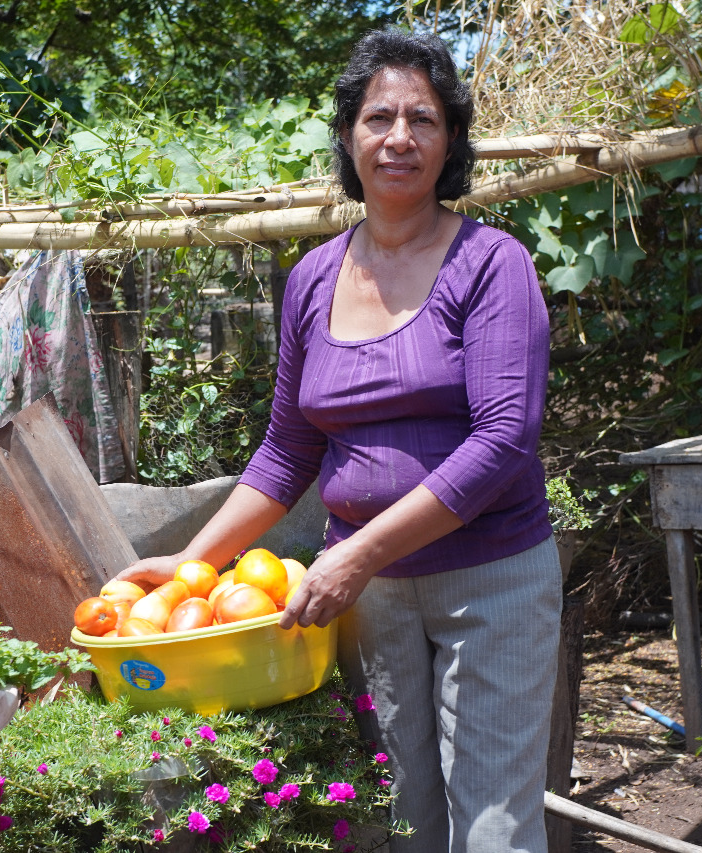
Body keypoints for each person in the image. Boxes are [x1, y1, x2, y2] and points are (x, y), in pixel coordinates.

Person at [116, 26, 559, 853]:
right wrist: (191, 565)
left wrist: (356, 555)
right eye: (378, 117)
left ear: (451, 140)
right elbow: (288, 449)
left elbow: (504, 440)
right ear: (348, 135)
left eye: (423, 120)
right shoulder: (313, 281)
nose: (400, 138)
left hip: (489, 579)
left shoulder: (492, 264)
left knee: (494, 825)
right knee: (406, 819)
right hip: (372, 599)